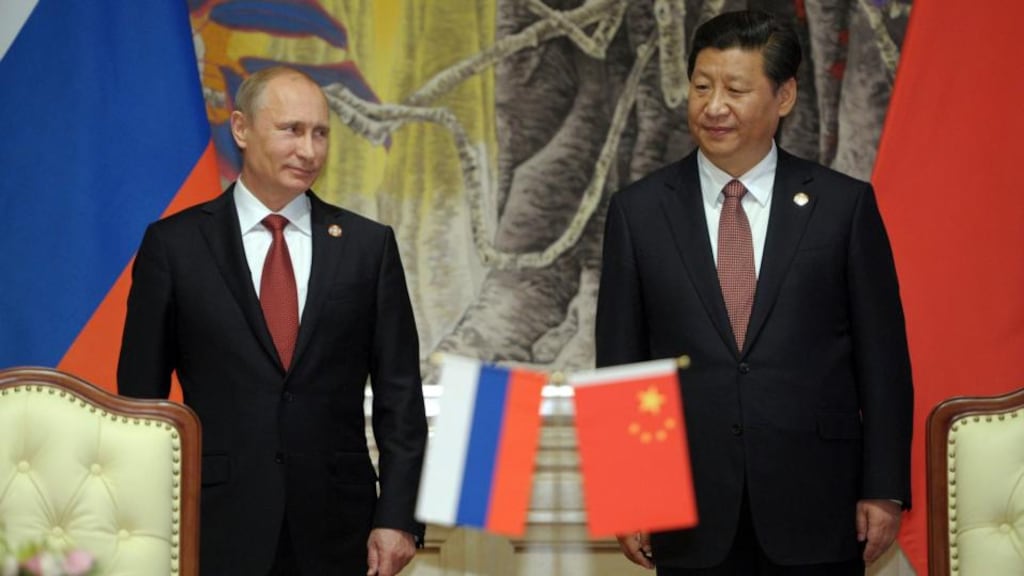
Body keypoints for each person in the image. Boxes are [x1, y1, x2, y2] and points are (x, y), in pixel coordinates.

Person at [595, 10, 912, 576]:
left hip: (819, 504)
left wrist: (884, 488)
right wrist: (627, 494)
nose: (714, 106)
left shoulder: (843, 208)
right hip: (689, 510)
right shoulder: (638, 213)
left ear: (784, 96)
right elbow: (621, 364)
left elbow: (883, 362)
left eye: (736, 90)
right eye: (702, 87)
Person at [118, 66, 427, 576]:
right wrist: (145, 522)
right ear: (241, 128)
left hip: (340, 528)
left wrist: (398, 517)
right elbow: (139, 404)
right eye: (292, 130)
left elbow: (401, 396)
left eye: (320, 133)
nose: (309, 150)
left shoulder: (368, 248)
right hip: (214, 525)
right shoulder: (174, 247)